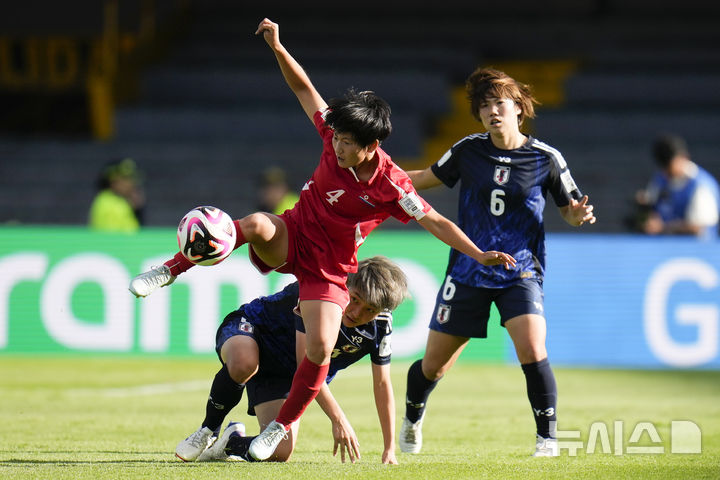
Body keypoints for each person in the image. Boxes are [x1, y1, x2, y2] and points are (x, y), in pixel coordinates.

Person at [129, 19, 516, 462]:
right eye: (337, 138)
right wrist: (278, 46)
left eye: (349, 144)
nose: (337, 148)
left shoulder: (393, 186)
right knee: (256, 223)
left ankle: (280, 427)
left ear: (371, 146)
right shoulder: (334, 134)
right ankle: (170, 269)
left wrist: (479, 254)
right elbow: (303, 87)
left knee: (317, 349)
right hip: (293, 234)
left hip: (330, 268)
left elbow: (438, 223)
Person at [399, 67, 597, 458]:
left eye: (500, 104)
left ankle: (547, 439)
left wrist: (577, 216)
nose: (493, 111)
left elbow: (571, 210)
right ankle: (413, 417)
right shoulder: (468, 150)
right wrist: (371, 180)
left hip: (519, 270)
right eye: (485, 105)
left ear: (519, 108)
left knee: (532, 347)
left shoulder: (545, 158)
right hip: (469, 270)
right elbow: (423, 177)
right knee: (434, 366)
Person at [175, 256, 406, 464]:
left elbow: (382, 383)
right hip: (254, 330)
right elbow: (306, 361)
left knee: (281, 451)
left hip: (286, 374)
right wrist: (338, 419)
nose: (357, 313)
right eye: (354, 299)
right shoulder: (320, 294)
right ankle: (209, 429)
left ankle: (228, 442)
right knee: (244, 362)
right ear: (347, 285)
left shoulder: (381, 325)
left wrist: (389, 449)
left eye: (370, 309)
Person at [634, 134, 719, 239]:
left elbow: (698, 228)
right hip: (664, 249)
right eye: (663, 168)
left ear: (683, 158)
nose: (666, 173)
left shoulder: (701, 185)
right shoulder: (660, 179)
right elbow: (652, 208)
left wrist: (663, 227)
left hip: (697, 252)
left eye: (669, 167)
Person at [88, 157, 145, 232]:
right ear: (113, 181)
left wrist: (138, 211)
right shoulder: (110, 203)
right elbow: (115, 239)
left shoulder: (106, 200)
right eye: (126, 178)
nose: (131, 183)